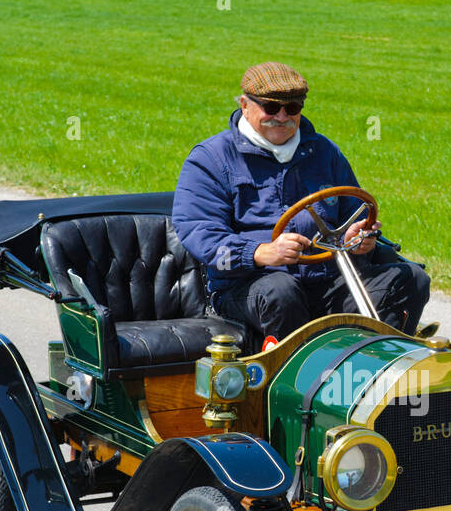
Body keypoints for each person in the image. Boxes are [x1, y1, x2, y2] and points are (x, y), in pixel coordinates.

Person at [172, 62, 430, 344]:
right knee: (280, 291)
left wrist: (357, 239)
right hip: (247, 286)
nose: (281, 117)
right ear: (245, 104)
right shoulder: (210, 159)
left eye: (292, 108)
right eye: (271, 108)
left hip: (327, 279)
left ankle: (372, 370)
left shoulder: (323, 151)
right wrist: (259, 252)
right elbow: (199, 235)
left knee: (410, 278)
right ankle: (299, 383)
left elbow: (352, 213)